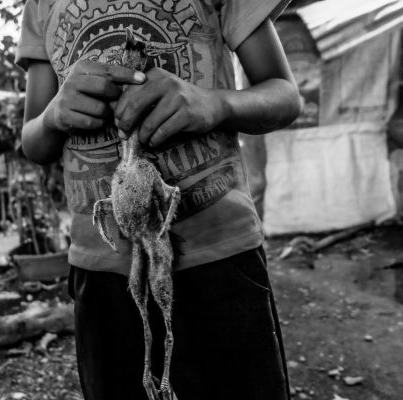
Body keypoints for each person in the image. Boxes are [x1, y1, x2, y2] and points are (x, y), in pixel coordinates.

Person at [15, 0, 301, 399]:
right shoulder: (41, 6)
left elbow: (285, 95)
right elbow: (34, 141)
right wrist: (52, 115)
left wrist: (215, 103)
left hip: (219, 260)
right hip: (100, 274)